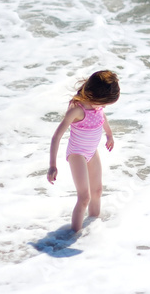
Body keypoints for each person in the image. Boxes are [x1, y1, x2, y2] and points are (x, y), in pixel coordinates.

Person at [47, 70, 120, 232]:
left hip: (92, 152)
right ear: (93, 95)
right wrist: (52, 165)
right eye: (103, 103)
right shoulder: (77, 110)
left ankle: (93, 227)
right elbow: (56, 137)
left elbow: (102, 117)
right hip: (77, 153)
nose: (103, 107)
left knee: (97, 191)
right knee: (84, 197)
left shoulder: (97, 106)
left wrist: (109, 134)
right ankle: (74, 234)